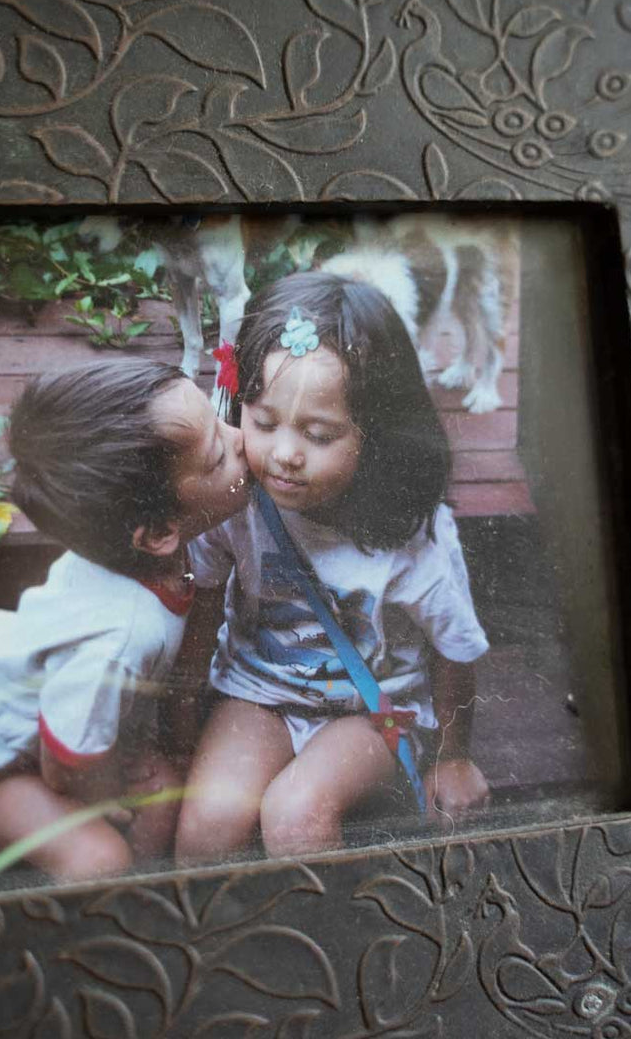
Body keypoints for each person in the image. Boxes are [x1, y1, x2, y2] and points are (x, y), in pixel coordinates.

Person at [176, 271, 490, 864]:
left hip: (370, 714)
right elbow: (203, 604)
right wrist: (176, 728)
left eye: (318, 434)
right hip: (257, 694)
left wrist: (453, 756)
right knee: (208, 823)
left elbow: (454, 646)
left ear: (376, 433)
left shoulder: (411, 534)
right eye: (263, 423)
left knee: (297, 815)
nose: (284, 455)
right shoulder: (238, 499)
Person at [0, 361, 249, 881]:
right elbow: (62, 760)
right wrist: (104, 795)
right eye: (219, 455)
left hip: (49, 709)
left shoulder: (138, 553)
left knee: (162, 792)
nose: (241, 437)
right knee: (99, 860)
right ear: (158, 534)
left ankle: (143, 901)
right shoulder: (120, 635)